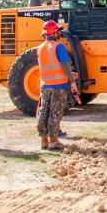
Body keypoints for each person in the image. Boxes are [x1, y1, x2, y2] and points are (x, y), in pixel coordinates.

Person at [36, 20, 78, 150]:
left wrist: (69, 75)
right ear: (55, 32)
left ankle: (44, 140)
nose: (60, 33)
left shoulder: (40, 48)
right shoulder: (58, 47)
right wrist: (72, 81)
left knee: (44, 111)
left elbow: (50, 66)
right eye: (58, 31)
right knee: (56, 112)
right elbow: (65, 65)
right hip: (58, 86)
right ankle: (53, 141)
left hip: (45, 85)